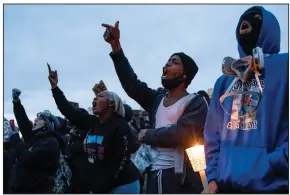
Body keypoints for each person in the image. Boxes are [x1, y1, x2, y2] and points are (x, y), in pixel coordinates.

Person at [102, 21, 208, 193]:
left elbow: (183, 134)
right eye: (167, 61)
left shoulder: (196, 102)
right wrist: (116, 48)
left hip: (181, 181)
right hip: (152, 175)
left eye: (174, 62)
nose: (166, 65)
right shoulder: (157, 99)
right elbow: (132, 85)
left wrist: (148, 135)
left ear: (184, 74)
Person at [204, 6, 288, 193]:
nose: (247, 19)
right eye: (243, 17)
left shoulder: (285, 66)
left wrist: (271, 164)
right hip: (225, 187)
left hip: (273, 187)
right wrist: (212, 176)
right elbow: (212, 134)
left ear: (270, 27)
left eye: (257, 17)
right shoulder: (224, 80)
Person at [47, 64, 140, 193]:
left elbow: (121, 161)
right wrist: (55, 87)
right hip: (100, 186)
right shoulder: (92, 122)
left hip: (122, 184)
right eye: (95, 97)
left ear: (111, 103)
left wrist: (102, 185)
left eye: (100, 97)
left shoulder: (120, 126)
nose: (94, 99)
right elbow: (69, 112)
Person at [9, 88, 63, 193]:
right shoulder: (36, 138)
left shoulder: (51, 142)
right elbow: (23, 121)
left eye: (40, 119)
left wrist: (15, 138)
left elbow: (27, 157)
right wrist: (17, 102)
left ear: (48, 125)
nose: (35, 120)